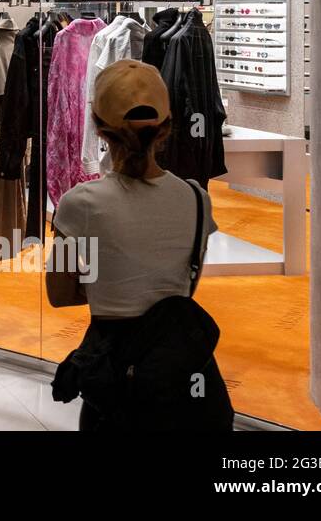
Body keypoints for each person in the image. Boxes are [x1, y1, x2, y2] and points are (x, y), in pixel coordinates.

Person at [46, 59, 232, 430]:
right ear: (166, 128)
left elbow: (60, 292)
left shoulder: (79, 203)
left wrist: (110, 280)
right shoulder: (196, 199)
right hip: (185, 373)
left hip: (117, 377)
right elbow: (182, 283)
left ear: (99, 128)